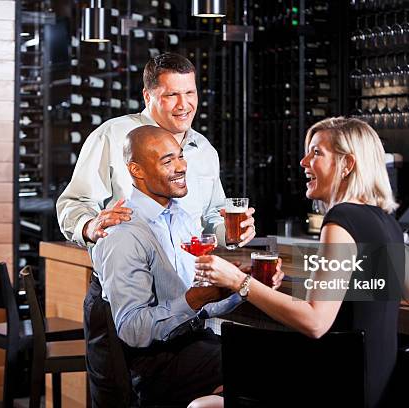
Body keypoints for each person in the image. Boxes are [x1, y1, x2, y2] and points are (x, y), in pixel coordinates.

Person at [195, 117, 409, 408]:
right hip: (372, 390)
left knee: (202, 405)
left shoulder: (341, 220)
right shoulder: (386, 220)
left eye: (317, 153)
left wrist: (238, 281)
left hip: (336, 390)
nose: (304, 161)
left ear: (347, 164)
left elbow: (316, 322)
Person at [90, 125, 283, 407]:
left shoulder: (181, 218)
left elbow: (198, 305)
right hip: (154, 365)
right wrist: (197, 298)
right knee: (263, 369)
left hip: (193, 344)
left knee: (274, 358)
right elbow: (133, 329)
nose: (181, 167)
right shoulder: (123, 234)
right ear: (137, 170)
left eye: (180, 156)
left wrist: (243, 286)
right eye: (167, 161)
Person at [56, 52, 255, 246]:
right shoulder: (112, 135)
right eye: (172, 95)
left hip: (188, 274)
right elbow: (74, 203)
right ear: (147, 96)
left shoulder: (204, 149)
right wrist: (90, 226)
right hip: (129, 271)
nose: (184, 104)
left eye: (189, 93)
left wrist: (229, 232)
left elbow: (212, 215)